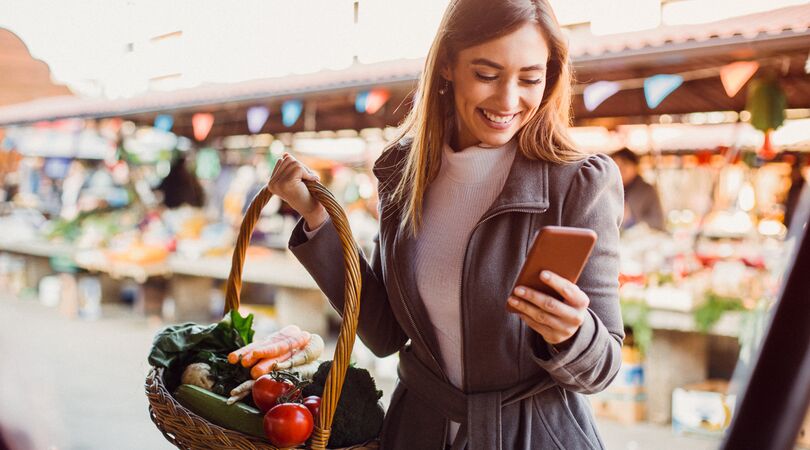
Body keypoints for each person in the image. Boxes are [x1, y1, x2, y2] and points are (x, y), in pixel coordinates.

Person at [268, 1, 624, 448]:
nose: (508, 100)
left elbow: (603, 367)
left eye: (531, 78)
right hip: (419, 430)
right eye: (487, 74)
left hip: (533, 435)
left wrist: (573, 333)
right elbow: (383, 332)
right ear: (449, 65)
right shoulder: (403, 171)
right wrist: (316, 216)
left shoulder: (580, 181)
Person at [611, 148, 666, 231]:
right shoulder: (608, 190)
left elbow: (658, 222)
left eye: (623, 167)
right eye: (616, 167)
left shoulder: (647, 190)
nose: (619, 171)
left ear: (635, 167)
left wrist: (630, 220)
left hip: (641, 241)